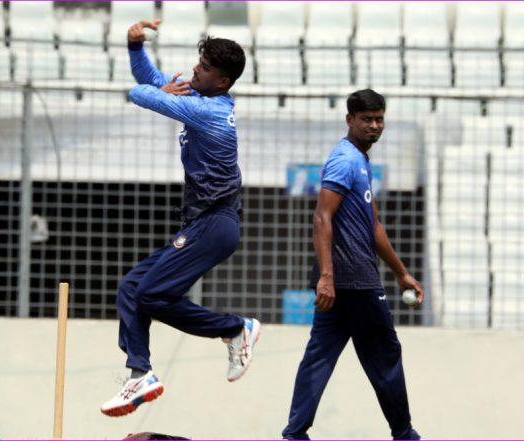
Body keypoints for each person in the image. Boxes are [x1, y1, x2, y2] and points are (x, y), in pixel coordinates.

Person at [100, 19, 261, 418]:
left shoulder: (210, 111)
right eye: (198, 62)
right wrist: (135, 47)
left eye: (203, 68)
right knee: (132, 287)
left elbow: (141, 93)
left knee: (152, 294)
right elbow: (152, 80)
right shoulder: (199, 95)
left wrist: (159, 91)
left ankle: (234, 328)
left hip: (215, 222)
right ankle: (140, 373)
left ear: (222, 82)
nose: (194, 70)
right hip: (202, 223)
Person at [281, 89, 423, 440]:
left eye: (379, 119)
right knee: (385, 356)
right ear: (350, 120)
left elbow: (372, 225)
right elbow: (321, 218)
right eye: (366, 120)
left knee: (319, 355)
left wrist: (401, 273)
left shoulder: (360, 160)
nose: (374, 126)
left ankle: (295, 433)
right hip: (354, 280)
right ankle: (404, 434)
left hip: (341, 282)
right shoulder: (345, 160)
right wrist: (327, 277)